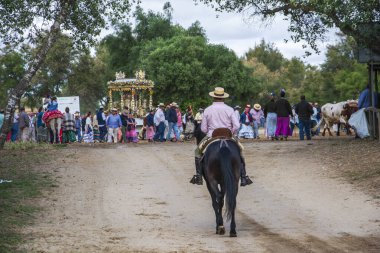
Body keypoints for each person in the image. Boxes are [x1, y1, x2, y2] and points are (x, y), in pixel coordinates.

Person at [190, 87, 253, 186]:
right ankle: (244, 176)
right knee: (240, 151)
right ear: (223, 98)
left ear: (213, 97)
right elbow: (236, 125)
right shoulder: (230, 109)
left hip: (212, 136)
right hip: (228, 136)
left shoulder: (207, 110)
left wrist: (209, 132)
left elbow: (203, 129)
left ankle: (198, 176)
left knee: (197, 152)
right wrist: (230, 132)